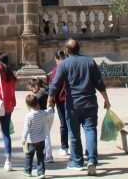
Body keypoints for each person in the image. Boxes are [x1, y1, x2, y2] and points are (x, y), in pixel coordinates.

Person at [48, 38, 111, 176]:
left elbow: (55, 84)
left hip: (73, 105)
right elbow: (99, 83)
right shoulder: (90, 61)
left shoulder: (64, 64)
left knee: (74, 134)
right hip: (90, 103)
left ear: (66, 51)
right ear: (79, 49)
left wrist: (50, 100)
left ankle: (77, 162)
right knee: (90, 131)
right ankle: (92, 161)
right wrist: (106, 100)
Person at [29, 76, 55, 164]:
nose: (31, 91)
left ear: (35, 86)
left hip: (44, 114)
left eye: (31, 89)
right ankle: (45, 152)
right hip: (51, 112)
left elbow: (35, 109)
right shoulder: (46, 91)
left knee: (46, 135)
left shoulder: (39, 95)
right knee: (46, 134)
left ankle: (48, 155)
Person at [20, 93, 48, 178]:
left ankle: (28, 171)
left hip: (31, 140)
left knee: (29, 155)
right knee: (40, 156)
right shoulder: (43, 113)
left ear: (27, 105)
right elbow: (48, 111)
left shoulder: (28, 116)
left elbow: (26, 129)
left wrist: (23, 139)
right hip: (41, 139)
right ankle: (41, 173)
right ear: (37, 103)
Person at [49, 50, 69, 158]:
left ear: (57, 59)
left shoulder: (56, 70)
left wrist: (50, 100)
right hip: (73, 99)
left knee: (64, 124)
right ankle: (75, 147)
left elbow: (52, 86)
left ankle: (64, 147)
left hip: (61, 100)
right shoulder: (71, 67)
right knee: (72, 123)